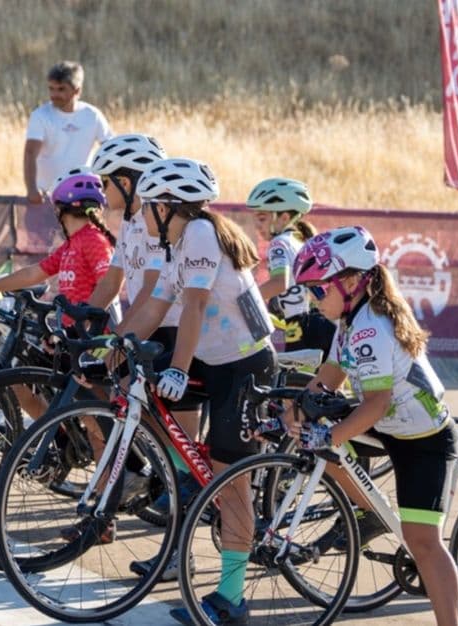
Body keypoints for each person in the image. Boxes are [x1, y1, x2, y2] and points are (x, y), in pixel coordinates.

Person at [109, 159, 276, 615]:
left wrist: (179, 368)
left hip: (245, 368)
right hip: (218, 363)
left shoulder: (200, 233)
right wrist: (115, 344)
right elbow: (156, 306)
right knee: (175, 435)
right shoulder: (178, 241)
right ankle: (185, 494)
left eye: (148, 206)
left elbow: (196, 307)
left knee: (230, 481)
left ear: (167, 207)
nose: (141, 215)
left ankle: (231, 599)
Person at [278, 226, 458, 626]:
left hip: (424, 439)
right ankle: (371, 511)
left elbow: (376, 405)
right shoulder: (349, 321)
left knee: (424, 544)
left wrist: (325, 435)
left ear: (349, 282)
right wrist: (296, 410)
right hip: (394, 427)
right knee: (324, 441)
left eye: (317, 290)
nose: (312, 299)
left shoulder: (370, 327)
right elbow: (330, 373)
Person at [85, 134, 203, 521]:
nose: (102, 191)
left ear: (127, 179)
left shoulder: (158, 222)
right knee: (105, 386)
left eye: (106, 181)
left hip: (169, 328)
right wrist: (81, 321)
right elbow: (112, 281)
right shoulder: (131, 222)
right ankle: (148, 470)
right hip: (145, 325)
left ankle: (182, 487)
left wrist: (119, 339)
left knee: (184, 439)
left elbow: (152, 291)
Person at [0, 170, 114, 304]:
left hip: (89, 326)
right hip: (70, 325)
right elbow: (32, 275)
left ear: (59, 209)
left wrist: (87, 321)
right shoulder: (73, 243)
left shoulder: (93, 240)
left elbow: (107, 286)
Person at [246, 177, 336, 358]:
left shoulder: (279, 243)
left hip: (299, 328)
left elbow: (280, 283)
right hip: (318, 324)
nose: (257, 225)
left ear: (284, 217)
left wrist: (242, 300)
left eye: (262, 218)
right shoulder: (300, 240)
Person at [23, 61, 113, 205]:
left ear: (77, 90)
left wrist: (109, 188)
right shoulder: (40, 116)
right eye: (51, 89)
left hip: (82, 195)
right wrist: (32, 189)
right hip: (46, 196)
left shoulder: (92, 115)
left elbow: (111, 150)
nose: (54, 94)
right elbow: (30, 153)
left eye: (61, 89)